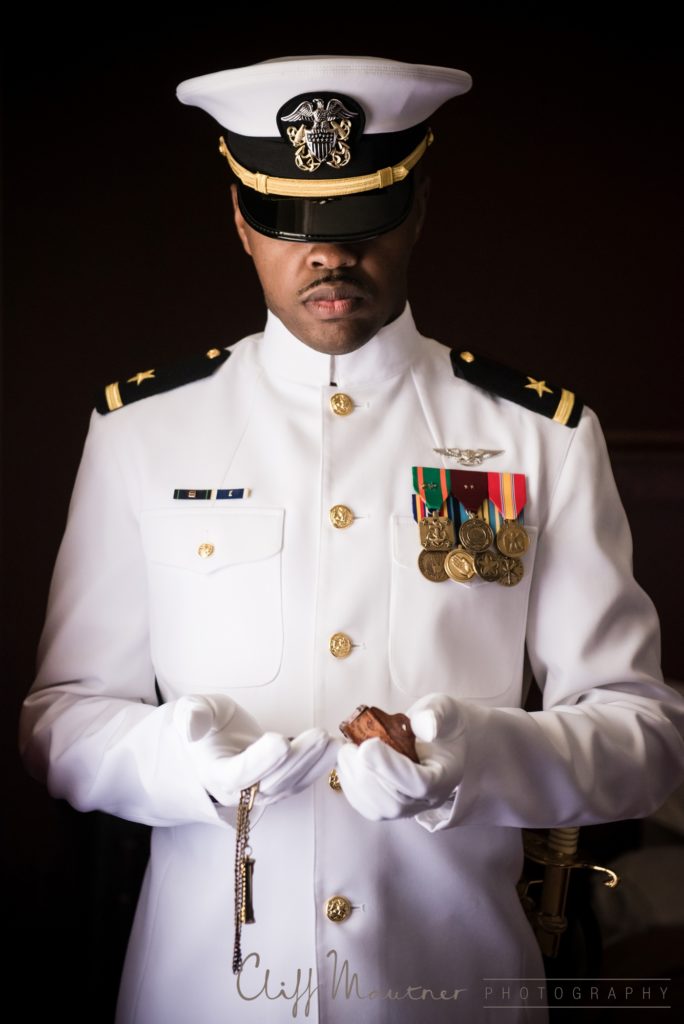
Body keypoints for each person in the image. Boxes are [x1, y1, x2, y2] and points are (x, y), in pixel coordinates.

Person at [19, 55, 684, 1024]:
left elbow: (645, 736)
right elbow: (63, 717)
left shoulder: (535, 436)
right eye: (294, 226)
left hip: (453, 991)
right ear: (242, 221)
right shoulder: (143, 432)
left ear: (416, 211)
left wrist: (475, 759)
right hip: (209, 994)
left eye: (362, 223)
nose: (331, 258)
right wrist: (185, 764)